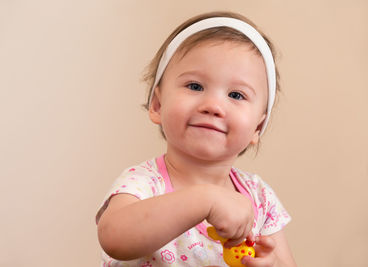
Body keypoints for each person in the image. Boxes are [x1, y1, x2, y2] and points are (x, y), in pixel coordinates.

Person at [96, 11, 297, 267]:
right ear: (157, 105)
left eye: (236, 95)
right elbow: (114, 237)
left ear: (258, 127)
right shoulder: (143, 184)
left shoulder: (260, 198)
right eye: (195, 86)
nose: (213, 105)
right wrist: (206, 199)